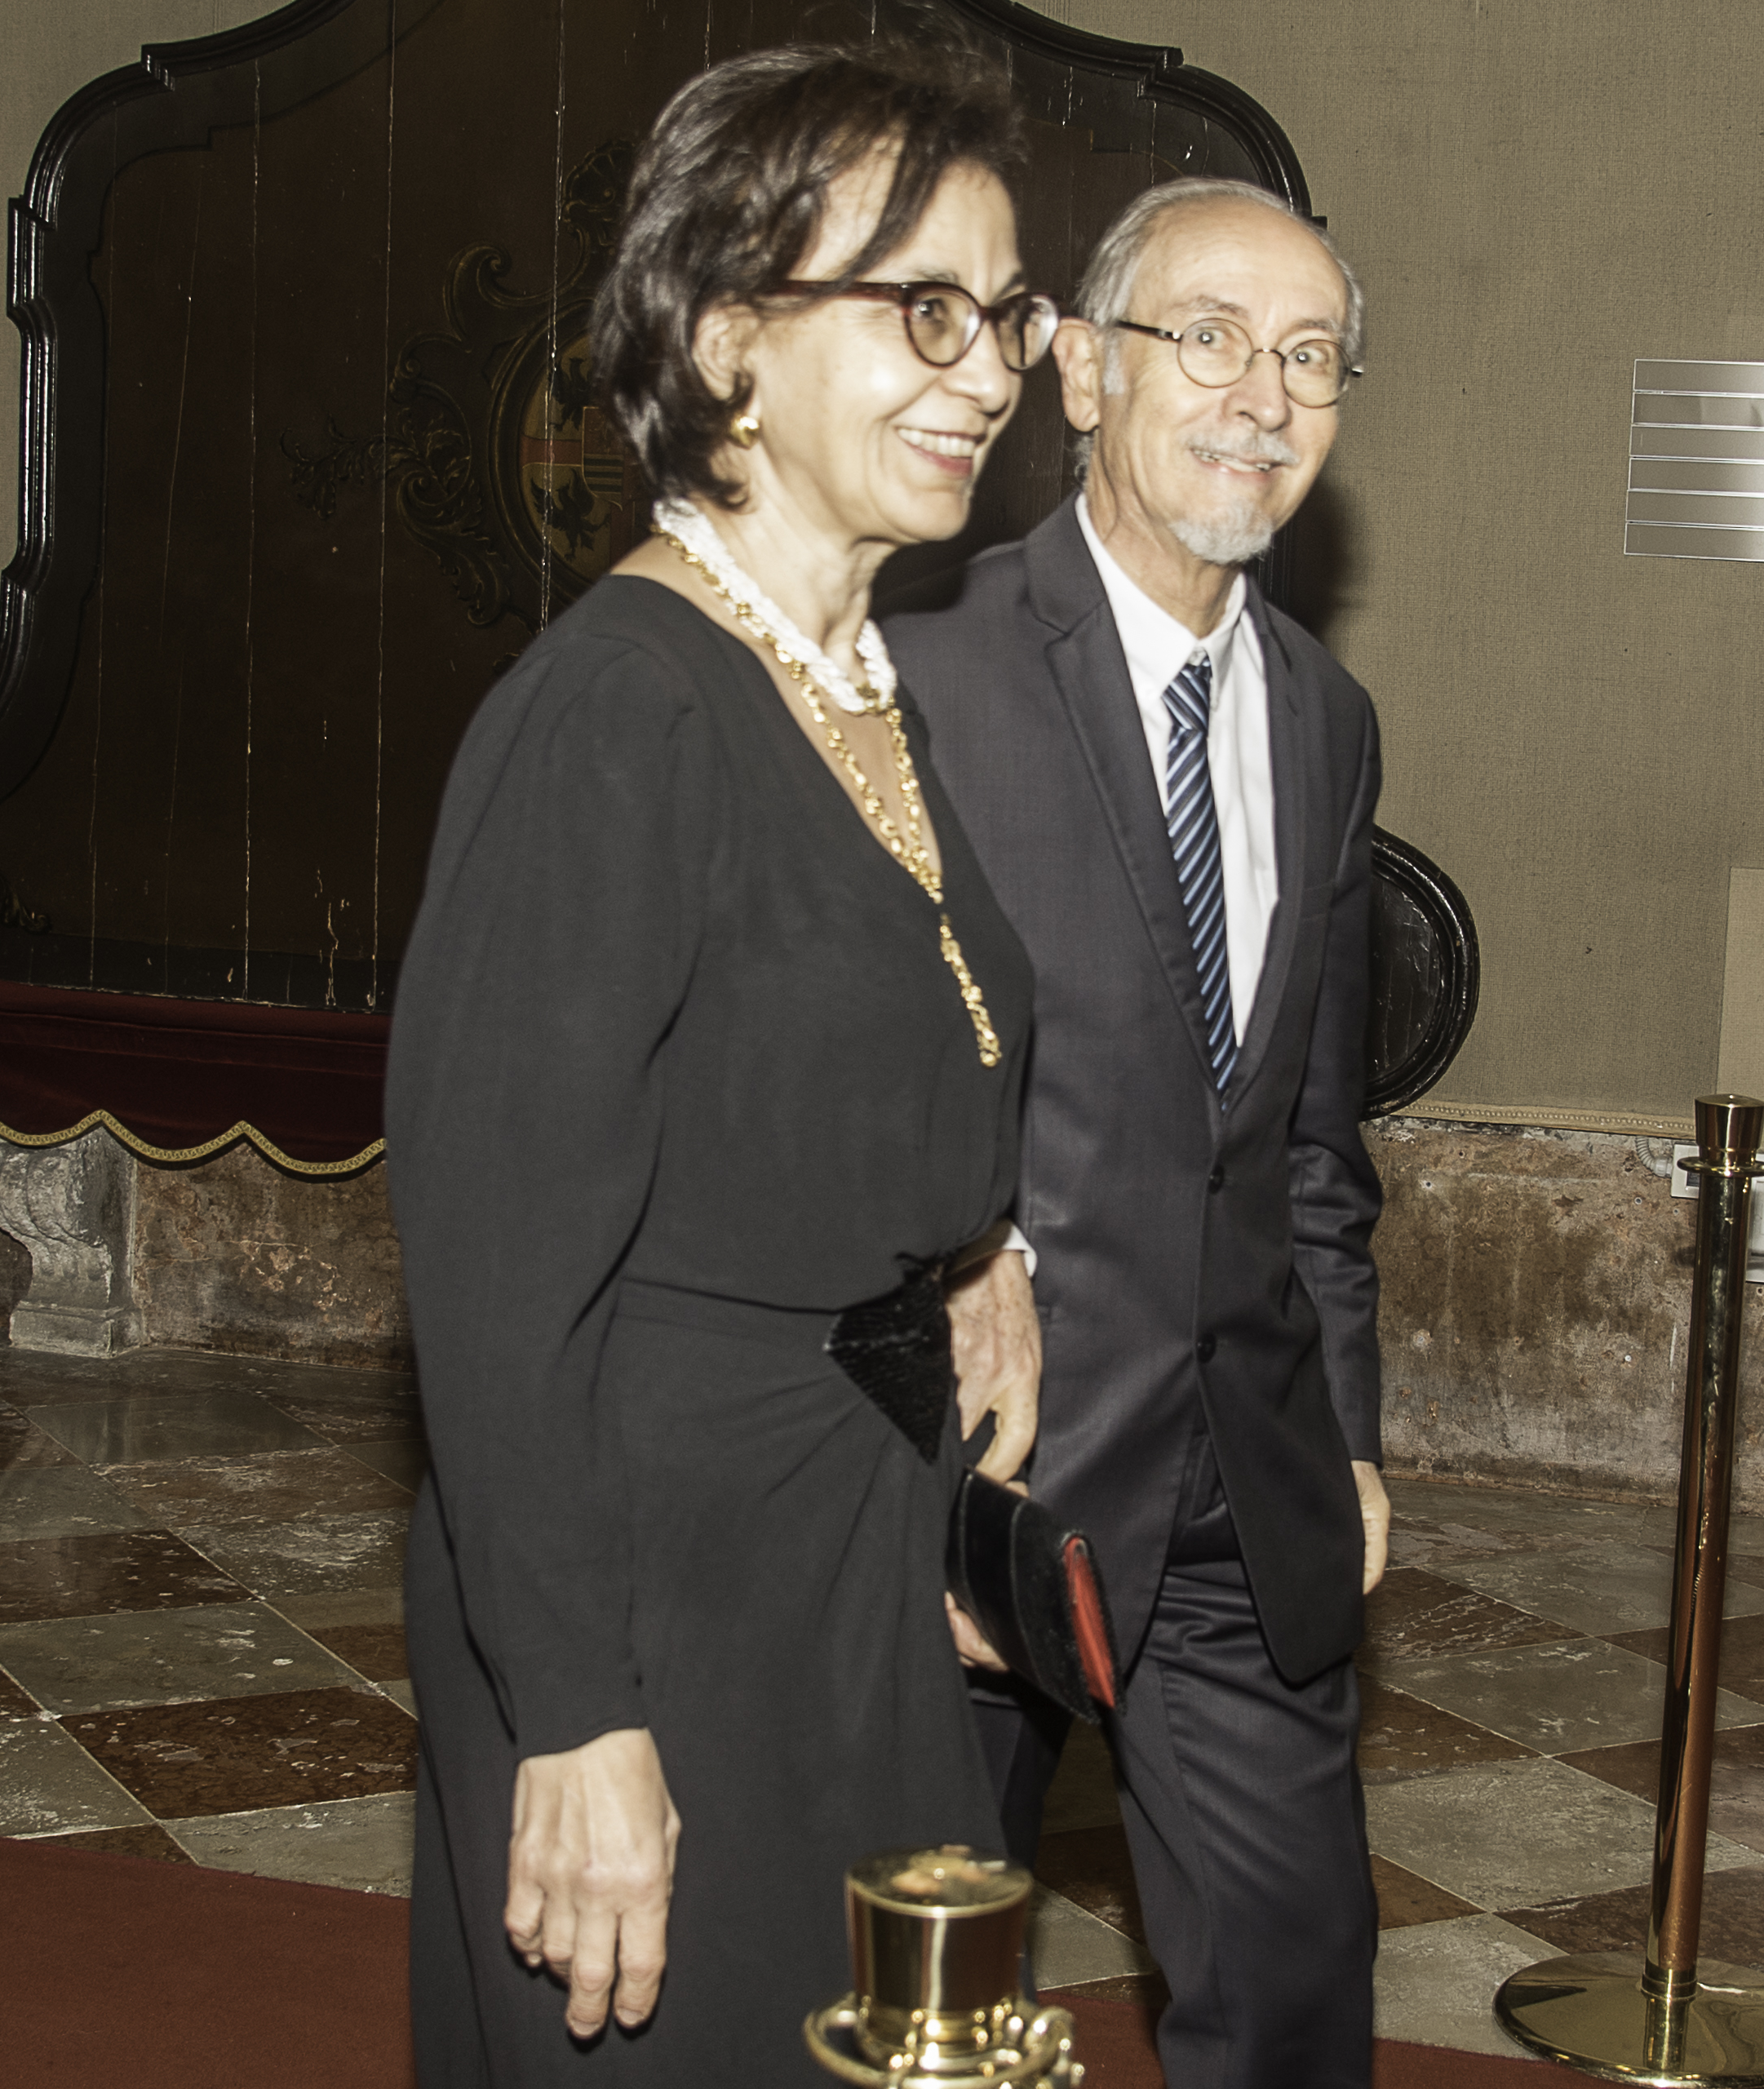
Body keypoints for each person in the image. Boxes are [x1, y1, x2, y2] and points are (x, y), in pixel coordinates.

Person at [386, 42, 1062, 2083]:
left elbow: (859, 1059)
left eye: (1007, 315)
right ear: (728, 338)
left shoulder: (857, 686)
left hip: (835, 1549)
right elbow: (495, 1281)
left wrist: (982, 1251)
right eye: (923, 308)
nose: (987, 370)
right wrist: (577, 1712)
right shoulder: (620, 713)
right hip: (648, 1591)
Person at [883, 178, 1392, 2087]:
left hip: (1244, 1488)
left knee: (1294, 1992)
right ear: (1085, 370)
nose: (1264, 393)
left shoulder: (1328, 720)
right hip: (969, 1472)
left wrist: (1350, 1437)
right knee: (905, 2008)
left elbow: (1313, 1147)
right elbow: (819, 1074)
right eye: (1212, 337)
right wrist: (948, 1295)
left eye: (1311, 355)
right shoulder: (917, 660)